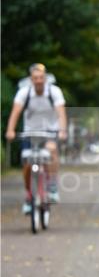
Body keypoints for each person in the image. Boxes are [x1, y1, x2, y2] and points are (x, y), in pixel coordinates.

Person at [5, 63, 68, 212]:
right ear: (31, 79)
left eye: (41, 77)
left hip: (49, 131)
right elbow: (15, 113)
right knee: (27, 163)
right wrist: (10, 130)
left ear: (45, 78)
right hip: (30, 133)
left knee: (51, 150)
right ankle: (29, 195)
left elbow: (61, 113)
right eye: (35, 78)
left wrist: (62, 130)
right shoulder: (23, 93)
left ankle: (52, 186)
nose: (38, 81)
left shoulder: (54, 92)